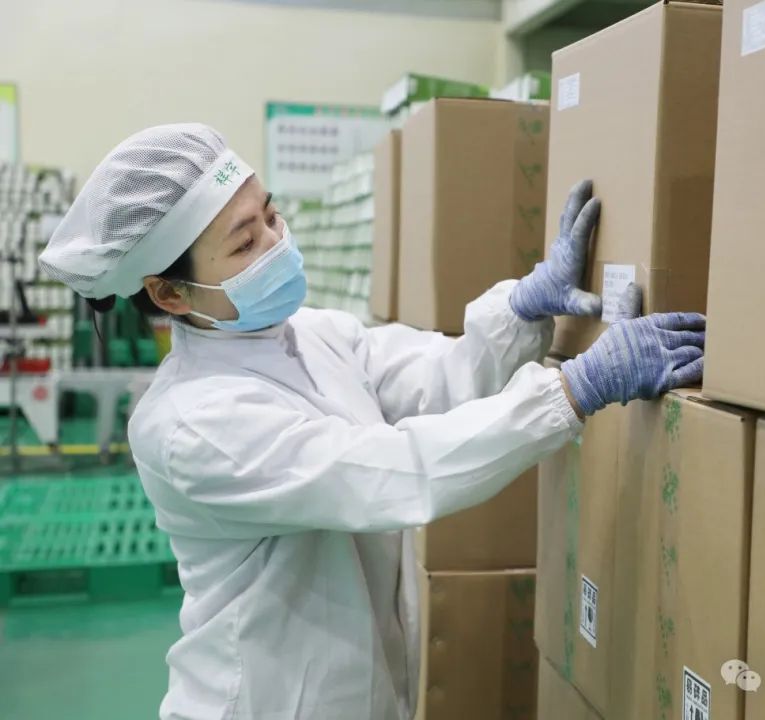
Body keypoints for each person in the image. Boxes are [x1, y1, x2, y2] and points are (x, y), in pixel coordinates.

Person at [39, 124, 706, 720]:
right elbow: (395, 471)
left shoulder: (311, 334)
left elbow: (436, 378)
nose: (276, 244)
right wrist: (575, 389)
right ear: (169, 293)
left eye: (271, 216)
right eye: (245, 243)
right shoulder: (192, 424)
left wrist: (521, 310)